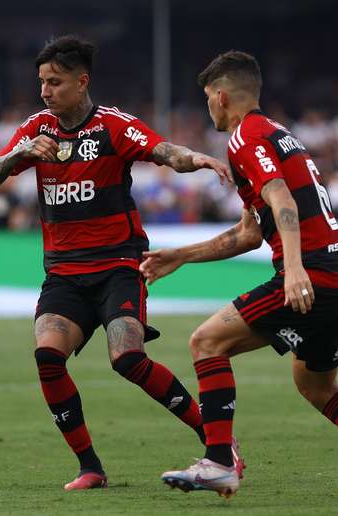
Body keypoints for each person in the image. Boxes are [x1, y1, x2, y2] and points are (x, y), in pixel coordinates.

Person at [0, 35, 236, 491]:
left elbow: (163, 152)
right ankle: (90, 467)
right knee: (47, 357)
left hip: (118, 266)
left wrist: (197, 158)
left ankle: (215, 442)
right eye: (41, 82)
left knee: (127, 358)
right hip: (63, 272)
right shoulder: (36, 129)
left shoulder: (112, 126)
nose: (45, 91)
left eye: (54, 82)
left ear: (82, 82)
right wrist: (19, 152)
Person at [143, 50, 338, 497]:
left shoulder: (244, 137)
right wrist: (182, 255)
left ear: (222, 95)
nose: (208, 107)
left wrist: (292, 270)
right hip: (330, 271)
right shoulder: (278, 134)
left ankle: (217, 462)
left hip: (314, 274)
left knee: (207, 342)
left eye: (208, 97)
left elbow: (284, 201)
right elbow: (250, 233)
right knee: (314, 384)